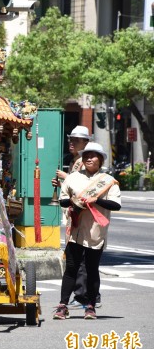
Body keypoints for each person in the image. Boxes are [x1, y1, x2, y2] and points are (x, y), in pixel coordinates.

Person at [53, 142, 121, 320]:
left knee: (92, 268)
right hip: (75, 228)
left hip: (96, 231)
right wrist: (75, 201)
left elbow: (116, 205)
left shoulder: (108, 181)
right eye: (86, 155)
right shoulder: (73, 178)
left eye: (93, 155)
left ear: (100, 159)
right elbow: (62, 201)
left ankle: (90, 306)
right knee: (71, 268)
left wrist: (95, 199)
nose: (89, 158)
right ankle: (62, 305)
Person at [51, 125, 99, 309]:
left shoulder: (82, 162)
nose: (72, 143)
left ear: (86, 143)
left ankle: (84, 295)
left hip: (83, 214)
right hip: (74, 212)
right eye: (71, 139)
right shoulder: (75, 161)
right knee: (78, 258)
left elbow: (84, 186)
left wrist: (66, 177)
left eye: (76, 140)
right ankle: (83, 295)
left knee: (82, 258)